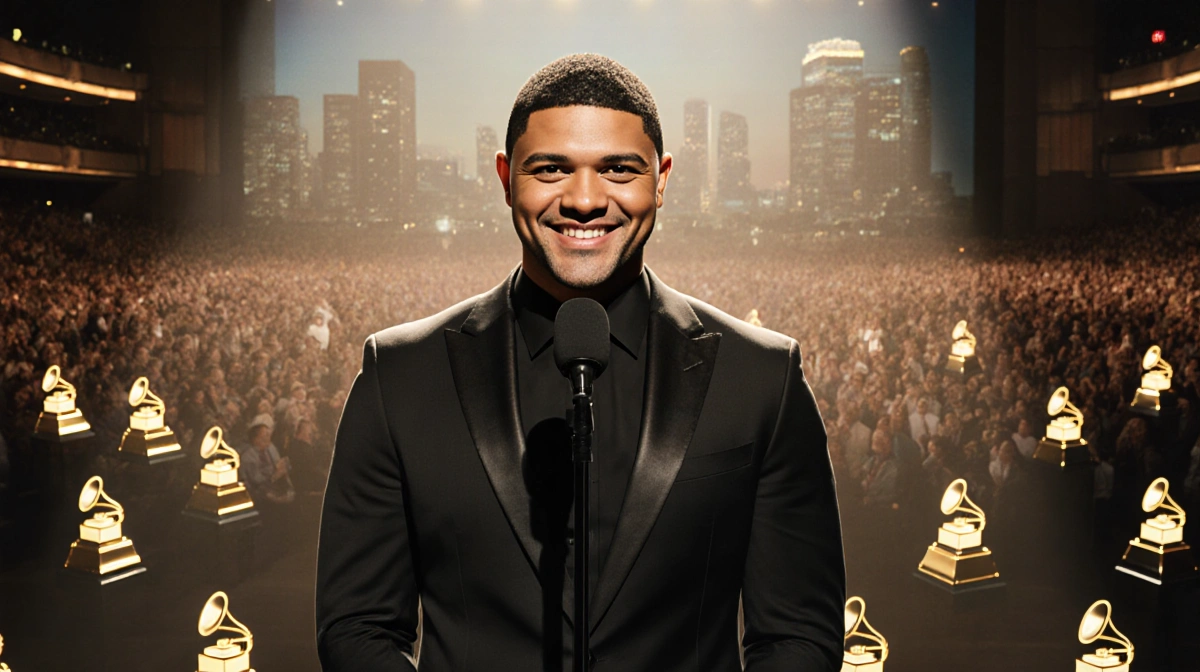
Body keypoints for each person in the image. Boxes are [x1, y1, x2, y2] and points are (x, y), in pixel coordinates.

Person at [316, 54, 845, 671]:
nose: (586, 200)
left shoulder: (762, 378)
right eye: (552, 169)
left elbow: (799, 637)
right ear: (506, 176)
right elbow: (358, 630)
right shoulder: (400, 376)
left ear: (663, 178)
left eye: (618, 169)